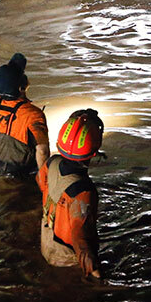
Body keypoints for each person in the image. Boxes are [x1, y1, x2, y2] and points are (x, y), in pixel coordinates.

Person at [38, 109, 104, 278]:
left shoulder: (51, 162)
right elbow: (82, 245)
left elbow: (40, 183)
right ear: (94, 151)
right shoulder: (83, 191)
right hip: (67, 261)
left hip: (47, 244)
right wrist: (101, 280)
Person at [0, 53, 50, 180]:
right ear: (22, 87)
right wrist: (44, 180)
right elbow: (42, 151)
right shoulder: (33, 114)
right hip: (18, 176)